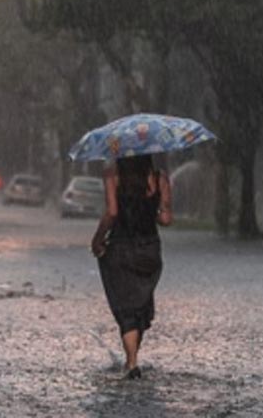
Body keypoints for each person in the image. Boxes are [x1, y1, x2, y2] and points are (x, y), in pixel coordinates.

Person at [91, 154, 173, 380]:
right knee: (140, 305)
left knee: (126, 307)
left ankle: (131, 363)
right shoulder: (159, 178)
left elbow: (112, 212)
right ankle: (133, 357)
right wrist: (151, 208)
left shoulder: (112, 175)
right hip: (149, 250)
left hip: (121, 248)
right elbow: (166, 219)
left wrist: (97, 239)